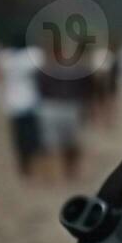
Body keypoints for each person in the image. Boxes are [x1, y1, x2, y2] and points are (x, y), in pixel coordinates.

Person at [34, 30, 92, 183]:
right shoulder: (72, 67)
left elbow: (40, 89)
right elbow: (86, 87)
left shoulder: (46, 67)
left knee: (57, 144)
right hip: (62, 107)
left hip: (56, 107)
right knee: (62, 144)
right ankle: (65, 173)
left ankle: (59, 174)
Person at [0, 34, 44, 180]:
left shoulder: (6, 58)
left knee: (19, 139)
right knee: (33, 138)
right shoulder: (32, 56)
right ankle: (32, 167)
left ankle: (23, 167)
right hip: (32, 103)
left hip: (13, 104)